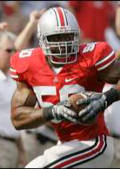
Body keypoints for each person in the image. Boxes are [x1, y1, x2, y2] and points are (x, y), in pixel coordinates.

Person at [9, 7, 120, 168]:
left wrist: (106, 98)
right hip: (65, 144)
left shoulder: (91, 56)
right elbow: (18, 119)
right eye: (57, 37)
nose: (64, 43)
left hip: (93, 143)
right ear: (42, 39)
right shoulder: (28, 64)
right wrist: (52, 111)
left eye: (69, 36)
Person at [0, 31, 26, 168]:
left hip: (13, 145)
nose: (12, 54)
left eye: (14, 51)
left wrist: (21, 149)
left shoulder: (11, 81)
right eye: (8, 50)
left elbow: (12, 120)